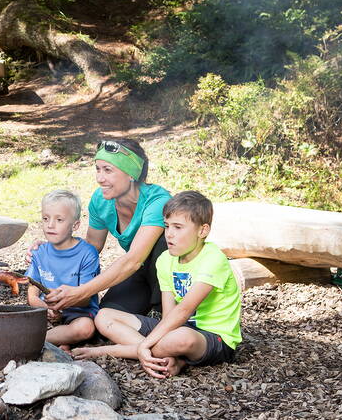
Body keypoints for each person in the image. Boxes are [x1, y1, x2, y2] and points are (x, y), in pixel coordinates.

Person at [72, 191, 242, 378]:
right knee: (104, 316)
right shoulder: (166, 260)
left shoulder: (213, 259)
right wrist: (157, 337)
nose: (169, 234)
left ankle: (123, 350)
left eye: (178, 227)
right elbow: (168, 316)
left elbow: (184, 310)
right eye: (167, 226)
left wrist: (144, 344)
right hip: (176, 329)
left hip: (212, 337)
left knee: (182, 337)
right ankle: (169, 357)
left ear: (202, 231)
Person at [40, 139, 171, 342]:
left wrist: (82, 292)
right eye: (98, 169)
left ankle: (161, 314)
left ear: (131, 174)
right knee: (103, 319)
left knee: (162, 244)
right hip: (137, 272)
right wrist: (54, 249)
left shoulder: (157, 201)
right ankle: (145, 324)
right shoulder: (101, 200)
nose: (100, 178)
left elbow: (134, 259)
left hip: (168, 277)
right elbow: (91, 247)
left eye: (108, 170)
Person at [26, 190, 100, 352]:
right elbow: (32, 294)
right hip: (45, 311)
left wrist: (60, 305)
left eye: (59, 219)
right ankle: (61, 342)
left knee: (85, 328)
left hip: (78, 312)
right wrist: (45, 308)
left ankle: (32, 341)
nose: (50, 225)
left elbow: (85, 299)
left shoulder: (87, 253)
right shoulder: (39, 252)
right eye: (46, 218)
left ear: (75, 225)